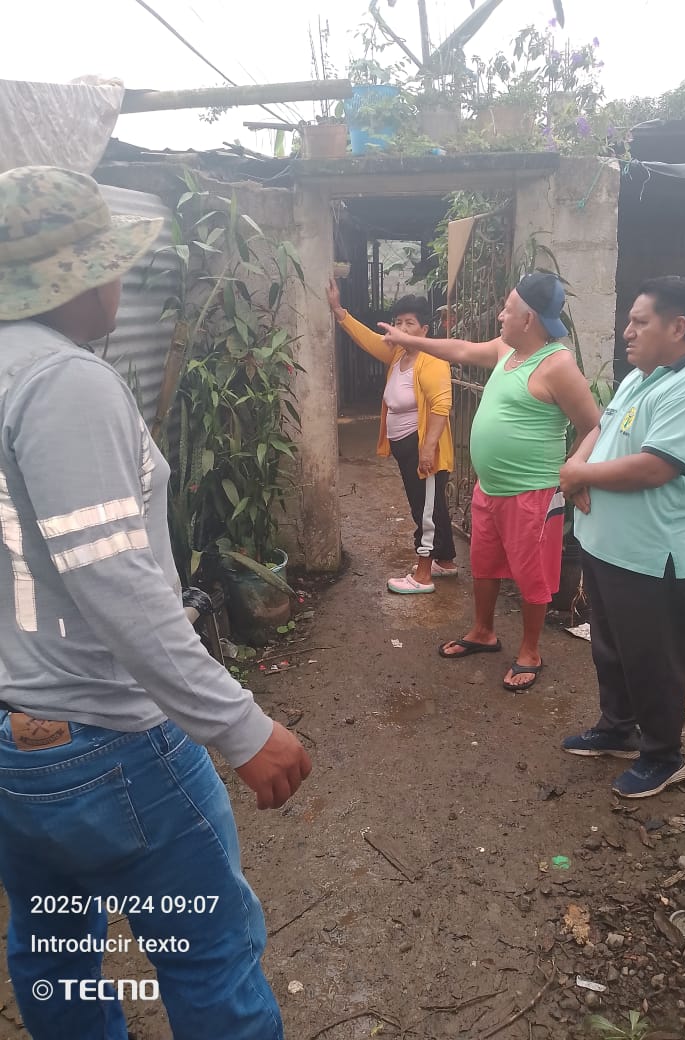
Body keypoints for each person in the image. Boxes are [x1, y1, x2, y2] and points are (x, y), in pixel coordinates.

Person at [0, 165, 311, 1040]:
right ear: (72, 278)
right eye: (109, 260)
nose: (121, 276)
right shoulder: (63, 383)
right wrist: (239, 726)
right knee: (208, 955)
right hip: (109, 742)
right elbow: (116, 582)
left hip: (15, 746)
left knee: (53, 955)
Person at [380, 273, 601, 691]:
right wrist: (409, 339)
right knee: (484, 565)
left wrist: (575, 470)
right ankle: (483, 631)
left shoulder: (557, 365)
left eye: (507, 309)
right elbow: (460, 349)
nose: (500, 315)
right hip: (490, 489)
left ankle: (530, 652)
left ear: (529, 318)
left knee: (532, 575)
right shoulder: (507, 350)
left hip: (532, 493)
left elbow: (593, 424)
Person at [560, 276, 685, 798]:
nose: (627, 331)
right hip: (610, 547)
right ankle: (617, 729)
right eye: (629, 321)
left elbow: (656, 467)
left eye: (640, 322)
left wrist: (580, 475)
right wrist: (575, 466)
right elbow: (602, 426)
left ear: (677, 327)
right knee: (612, 649)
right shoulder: (644, 376)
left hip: (654, 555)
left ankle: (663, 756)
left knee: (653, 658)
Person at [327, 279, 457, 593]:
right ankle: (445, 561)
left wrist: (427, 450)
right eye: (398, 322)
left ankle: (423, 575)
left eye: (409, 323)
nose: (401, 328)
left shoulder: (432, 360)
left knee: (424, 510)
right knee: (431, 504)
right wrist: (339, 311)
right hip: (406, 446)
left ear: (425, 329)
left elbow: (441, 406)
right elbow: (369, 340)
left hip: (423, 447)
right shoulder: (399, 354)